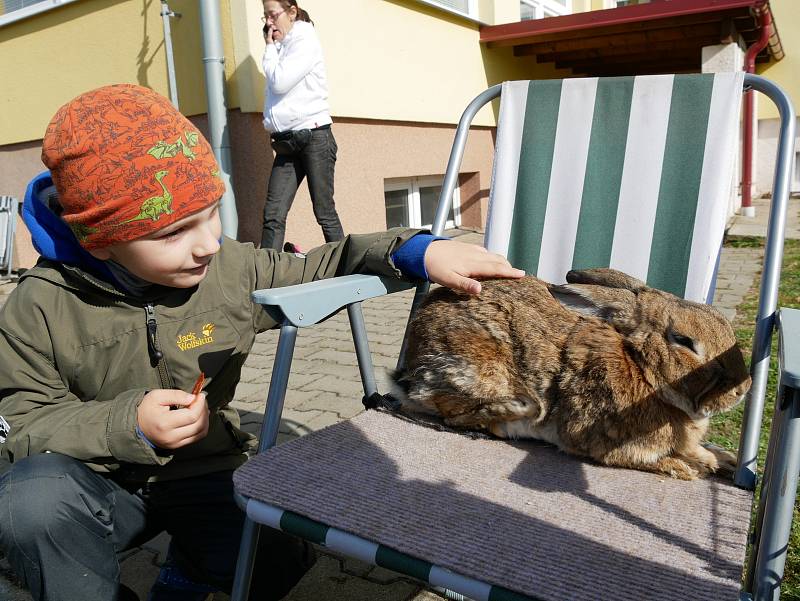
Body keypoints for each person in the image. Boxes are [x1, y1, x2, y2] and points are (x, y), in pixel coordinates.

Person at [0, 84, 523, 601]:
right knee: (30, 505)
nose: (208, 242)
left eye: (211, 212)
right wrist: (127, 424)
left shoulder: (226, 267)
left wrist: (415, 251)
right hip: (96, 481)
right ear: (104, 240)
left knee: (274, 567)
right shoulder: (38, 305)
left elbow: (320, 266)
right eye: (174, 233)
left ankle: (193, 564)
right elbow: (20, 420)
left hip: (201, 467)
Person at [259, 0, 343, 252]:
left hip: (314, 137)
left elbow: (280, 83)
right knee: (273, 214)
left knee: (324, 211)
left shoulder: (305, 40)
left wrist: (269, 48)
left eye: (272, 15)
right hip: (287, 143)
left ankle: (348, 271)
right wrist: (273, 47)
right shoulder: (281, 48)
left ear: (292, 12)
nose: (268, 23)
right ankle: (266, 275)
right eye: (264, 16)